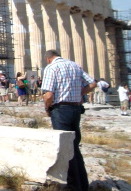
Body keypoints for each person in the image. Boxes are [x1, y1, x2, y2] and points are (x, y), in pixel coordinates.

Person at [42, 49, 96, 191]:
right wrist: (78, 93)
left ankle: (72, 185)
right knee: (74, 147)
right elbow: (92, 83)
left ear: (48, 59)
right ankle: (82, 184)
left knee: (65, 148)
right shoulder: (75, 65)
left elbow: (48, 95)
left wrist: (47, 108)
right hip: (75, 109)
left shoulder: (51, 67)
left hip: (60, 109)